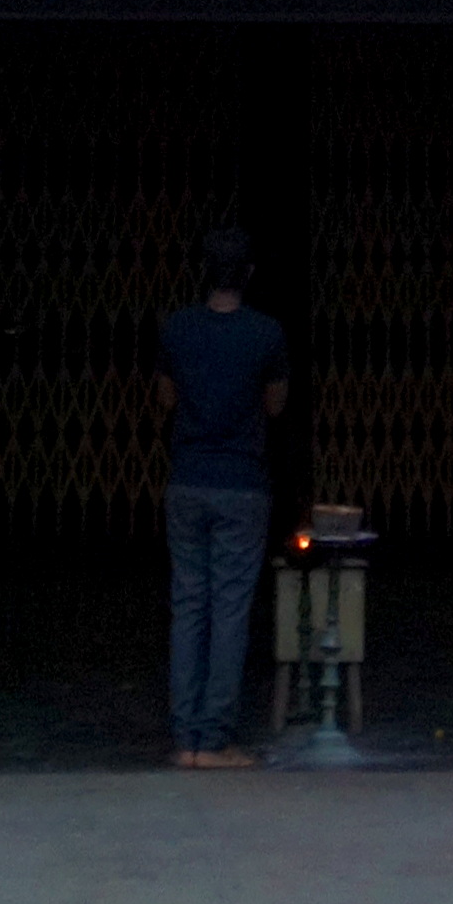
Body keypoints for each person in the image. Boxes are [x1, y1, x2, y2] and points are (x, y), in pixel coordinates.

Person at [153, 224, 286, 767]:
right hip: (241, 484)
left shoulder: (177, 328)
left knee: (189, 607)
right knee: (229, 610)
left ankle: (186, 739)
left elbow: (165, 399)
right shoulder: (266, 334)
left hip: (187, 480)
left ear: (202, 273)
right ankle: (214, 739)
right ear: (248, 274)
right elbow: (275, 406)